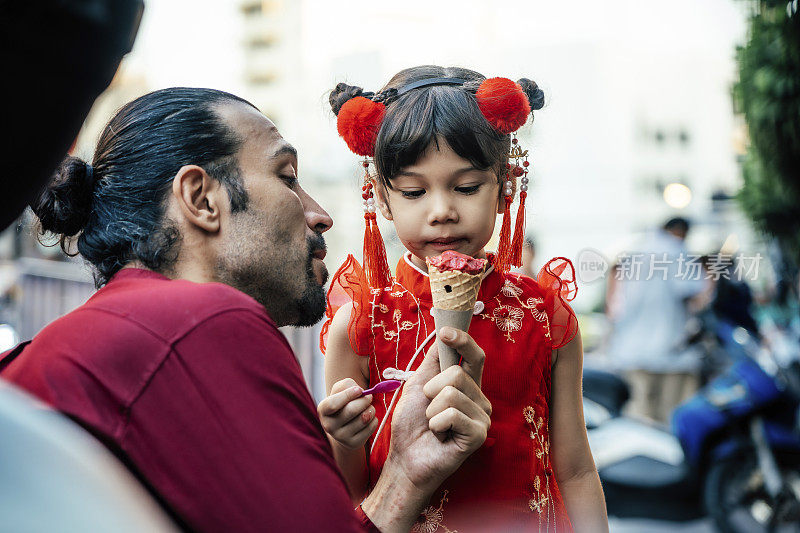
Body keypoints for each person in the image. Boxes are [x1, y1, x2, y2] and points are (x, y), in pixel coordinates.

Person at [0, 87, 492, 533]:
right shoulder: (205, 321)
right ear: (200, 199)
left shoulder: (83, 342)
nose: (321, 214)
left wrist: (405, 472)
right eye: (287, 178)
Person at [319, 66, 607, 532]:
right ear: (383, 201)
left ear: (505, 188)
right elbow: (349, 495)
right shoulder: (359, 326)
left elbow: (574, 468)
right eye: (414, 191)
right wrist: (344, 439)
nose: (442, 211)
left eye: (467, 187)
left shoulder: (545, 317)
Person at [606, 217, 705, 423]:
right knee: (669, 421)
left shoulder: (635, 249)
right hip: (670, 352)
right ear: (681, 232)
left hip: (631, 350)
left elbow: (615, 300)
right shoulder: (676, 251)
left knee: (638, 421)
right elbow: (694, 295)